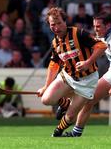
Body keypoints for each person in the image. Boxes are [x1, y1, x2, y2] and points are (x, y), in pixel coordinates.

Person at [37, 7, 107, 137]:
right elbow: (53, 65)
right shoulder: (55, 43)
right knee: (46, 99)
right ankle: (65, 104)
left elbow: (102, 46)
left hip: (87, 80)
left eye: (59, 23)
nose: (56, 27)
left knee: (70, 117)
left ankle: (58, 131)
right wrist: (46, 86)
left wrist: (87, 63)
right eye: (53, 24)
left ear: (65, 21)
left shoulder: (79, 34)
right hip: (67, 76)